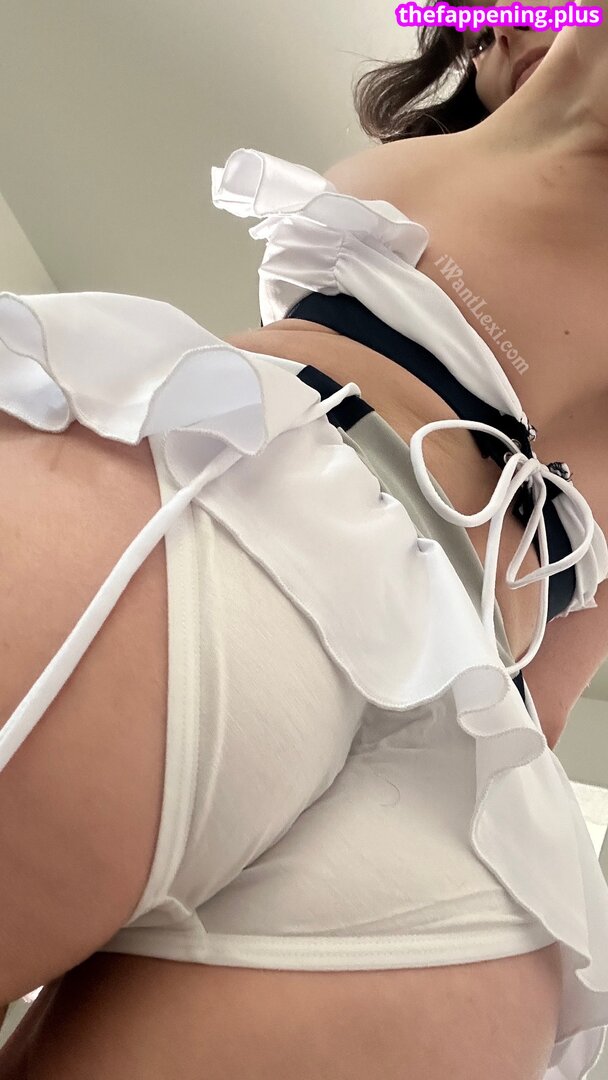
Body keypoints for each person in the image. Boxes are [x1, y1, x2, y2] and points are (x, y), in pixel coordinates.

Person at [0, 3, 607, 1078]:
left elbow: (545, 703)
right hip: (458, 840)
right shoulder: (544, 103)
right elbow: (547, 703)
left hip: (252, 572)